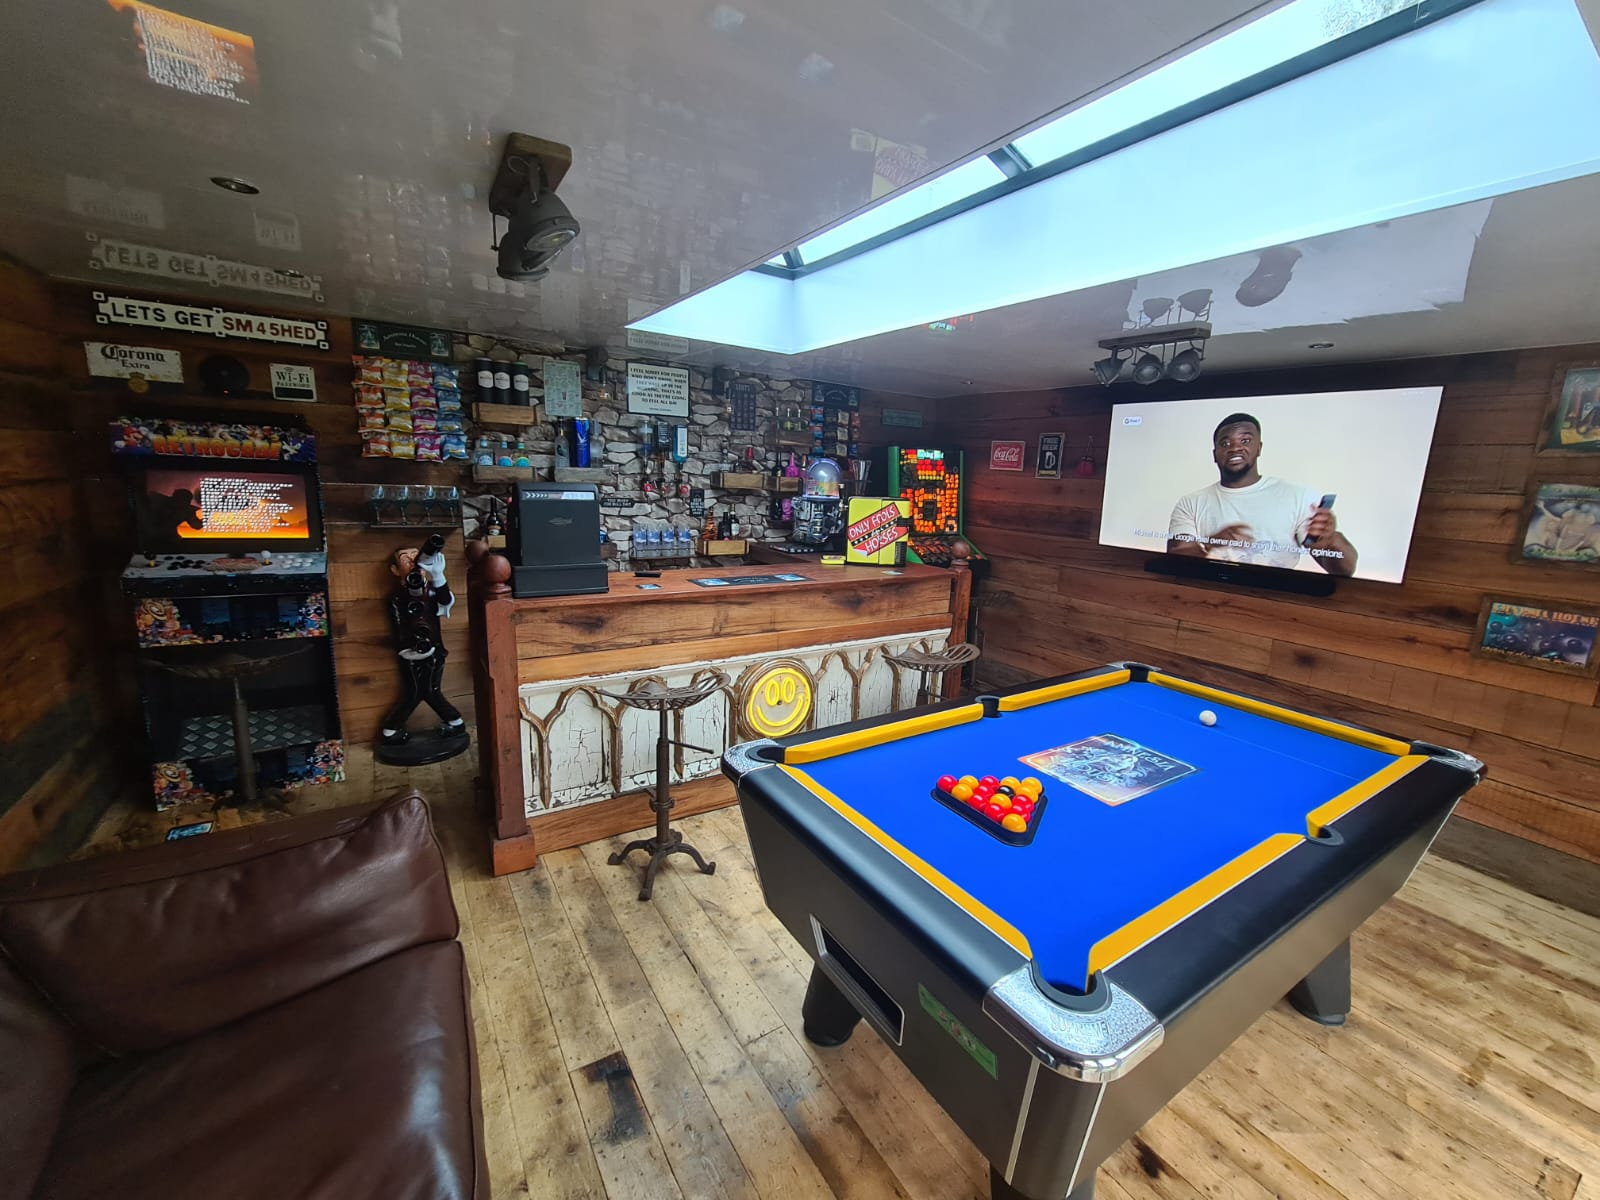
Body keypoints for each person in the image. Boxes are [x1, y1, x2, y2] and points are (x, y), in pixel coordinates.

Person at [1167, 413, 1357, 576]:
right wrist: (1211, 543)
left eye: (1245, 440)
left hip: (1274, 595)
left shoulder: (1298, 497)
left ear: (1259, 448)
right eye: (1225, 443)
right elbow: (1177, 558)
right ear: (1215, 454)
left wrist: (1331, 540)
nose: (1234, 448)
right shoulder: (1191, 502)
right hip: (1208, 591)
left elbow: (1344, 571)